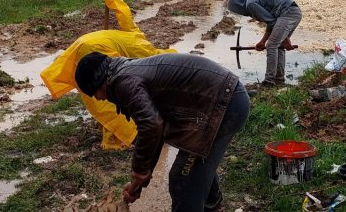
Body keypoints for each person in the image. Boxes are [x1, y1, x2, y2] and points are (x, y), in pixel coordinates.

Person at [75, 53, 250, 211]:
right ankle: (213, 205)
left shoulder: (123, 82)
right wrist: (141, 180)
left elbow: (151, 125)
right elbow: (156, 133)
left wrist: (139, 171)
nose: (98, 98)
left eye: (94, 93)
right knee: (193, 168)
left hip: (225, 104)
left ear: (99, 82)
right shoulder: (125, 71)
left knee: (182, 179)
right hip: (225, 99)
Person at [40, 0, 175, 149]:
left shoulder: (136, 35)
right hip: (92, 49)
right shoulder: (145, 53)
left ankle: (115, 131)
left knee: (102, 95)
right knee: (108, 94)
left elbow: (125, 15)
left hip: (87, 42)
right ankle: (120, 138)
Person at [227, 0, 301, 86]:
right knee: (279, 46)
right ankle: (279, 80)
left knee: (271, 45)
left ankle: (269, 81)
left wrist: (286, 40)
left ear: (237, 6)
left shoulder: (251, 4)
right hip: (293, 12)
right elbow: (271, 21)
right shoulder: (252, 0)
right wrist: (262, 42)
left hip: (288, 12)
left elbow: (272, 22)